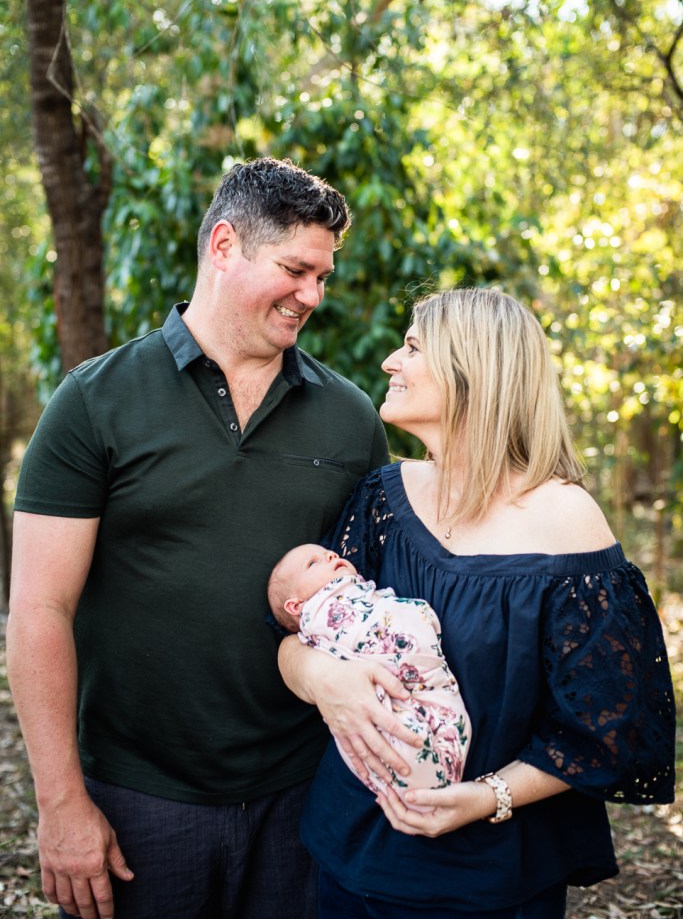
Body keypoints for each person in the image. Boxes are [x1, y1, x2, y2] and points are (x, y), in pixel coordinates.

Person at [6, 157, 399, 919]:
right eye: (294, 270)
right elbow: (39, 609)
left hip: (302, 794)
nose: (312, 295)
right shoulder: (94, 400)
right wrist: (61, 804)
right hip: (137, 796)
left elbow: (368, 599)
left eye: (322, 276)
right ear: (224, 246)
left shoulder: (349, 418)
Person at [278, 287, 676, 919]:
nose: (389, 361)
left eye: (412, 347)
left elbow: (606, 727)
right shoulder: (383, 498)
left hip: (490, 877)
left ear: (472, 372)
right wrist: (322, 676)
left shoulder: (566, 523)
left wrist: (486, 797)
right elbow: (297, 631)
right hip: (350, 851)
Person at [268, 542, 471, 802]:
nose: (331, 555)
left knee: (453, 725)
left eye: (329, 553)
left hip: (428, 689)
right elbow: (364, 633)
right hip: (382, 701)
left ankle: (432, 784)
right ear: (295, 607)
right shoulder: (320, 614)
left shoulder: (365, 592)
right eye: (313, 563)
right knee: (395, 742)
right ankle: (421, 788)